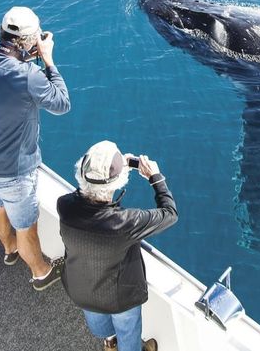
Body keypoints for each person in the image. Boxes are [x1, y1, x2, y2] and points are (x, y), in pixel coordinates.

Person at [0, 6, 71, 290]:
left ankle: (9, 249)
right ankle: (41, 272)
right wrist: (47, 60)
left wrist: (26, 57)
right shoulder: (29, 75)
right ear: (29, 41)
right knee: (27, 226)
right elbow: (61, 104)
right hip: (13, 171)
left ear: (1, 32)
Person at [57, 141, 178, 351]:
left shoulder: (64, 205)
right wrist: (155, 178)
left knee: (98, 318)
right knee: (128, 331)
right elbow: (170, 214)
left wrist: (115, 168)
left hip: (81, 287)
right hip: (118, 298)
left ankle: (109, 343)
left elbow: (83, 194)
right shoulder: (125, 223)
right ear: (117, 183)